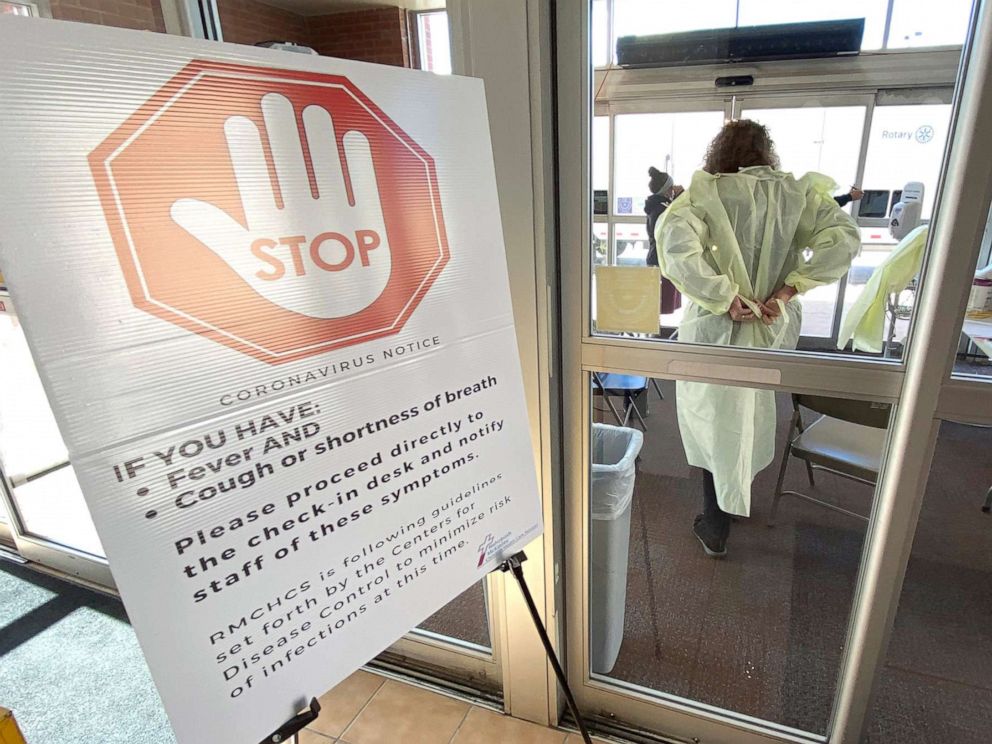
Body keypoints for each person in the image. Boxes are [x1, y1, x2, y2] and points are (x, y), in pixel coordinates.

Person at [656, 120, 860, 558]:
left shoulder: (707, 193)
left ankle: (716, 521)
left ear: (721, 152)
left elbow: (673, 247)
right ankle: (733, 503)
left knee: (714, 416)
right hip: (770, 323)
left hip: (714, 328)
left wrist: (724, 297)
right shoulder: (795, 194)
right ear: (766, 152)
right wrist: (790, 288)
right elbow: (844, 238)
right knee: (750, 410)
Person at [644, 167, 684, 314]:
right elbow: (678, 224)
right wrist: (681, 199)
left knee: (658, 306)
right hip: (662, 263)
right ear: (667, 190)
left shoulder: (655, 207)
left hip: (656, 260)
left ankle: (654, 332)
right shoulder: (662, 209)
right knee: (660, 307)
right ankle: (656, 334)